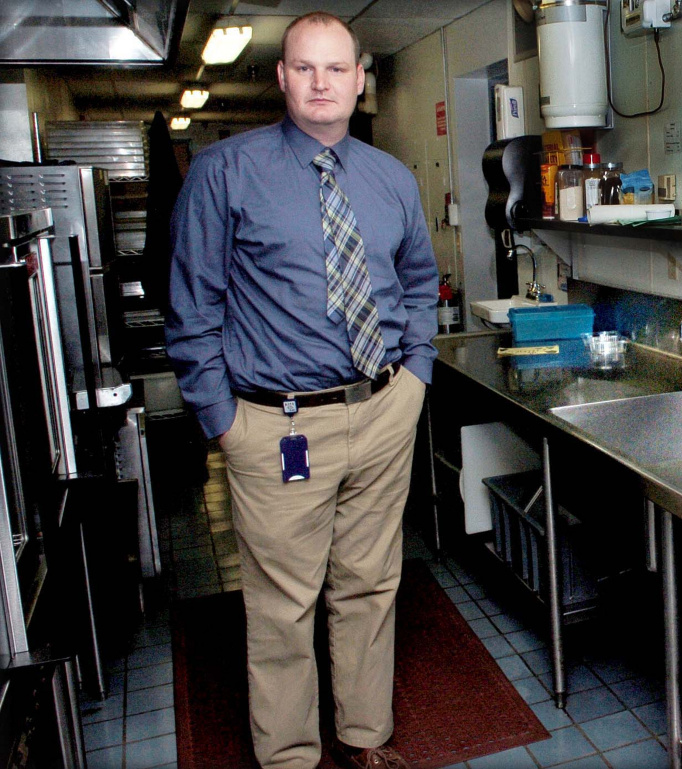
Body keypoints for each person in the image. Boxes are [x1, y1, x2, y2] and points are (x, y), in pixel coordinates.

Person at [165, 11, 438, 769]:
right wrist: (223, 422)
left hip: (382, 410)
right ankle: (289, 755)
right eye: (305, 69)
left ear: (359, 79)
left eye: (337, 69)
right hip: (277, 427)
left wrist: (415, 376)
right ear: (281, 78)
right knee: (284, 608)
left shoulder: (391, 179)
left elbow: (419, 283)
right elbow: (192, 309)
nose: (322, 83)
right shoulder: (226, 173)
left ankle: (364, 735)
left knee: (370, 585)